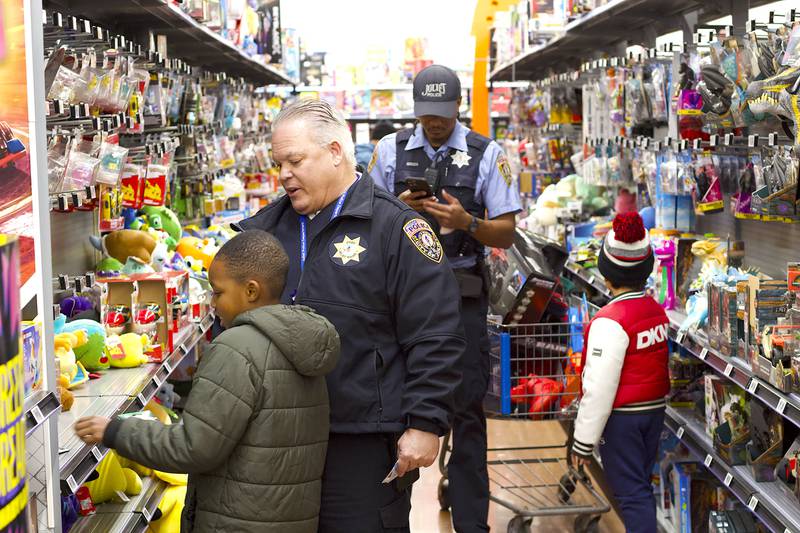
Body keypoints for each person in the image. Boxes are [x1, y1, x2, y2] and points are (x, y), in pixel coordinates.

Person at [234, 98, 465, 532]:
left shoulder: (396, 229)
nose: (283, 174)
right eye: (278, 162)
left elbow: (436, 332)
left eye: (295, 160)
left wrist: (426, 422)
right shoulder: (263, 232)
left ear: (336, 152)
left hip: (362, 440)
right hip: (276, 439)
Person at [74, 230, 341, 533]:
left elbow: (194, 447)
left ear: (251, 291)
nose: (213, 303)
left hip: (235, 521)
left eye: (217, 292)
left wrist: (116, 431)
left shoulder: (236, 348)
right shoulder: (303, 344)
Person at [369, 64, 521, 532]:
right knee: (398, 409)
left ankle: (473, 524)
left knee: (468, 413)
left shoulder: (486, 153)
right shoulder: (389, 151)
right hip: (402, 300)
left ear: (458, 106)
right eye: (425, 114)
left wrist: (466, 222)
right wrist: (397, 211)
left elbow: (508, 231)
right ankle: (391, 518)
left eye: (442, 113)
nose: (433, 123)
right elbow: (366, 215)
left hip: (463, 297)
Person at [571, 212, 670, 533]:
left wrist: (583, 442)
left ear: (606, 273)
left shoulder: (610, 320)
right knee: (641, 485)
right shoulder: (656, 311)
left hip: (622, 421)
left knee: (631, 495)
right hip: (654, 412)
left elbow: (598, 388)